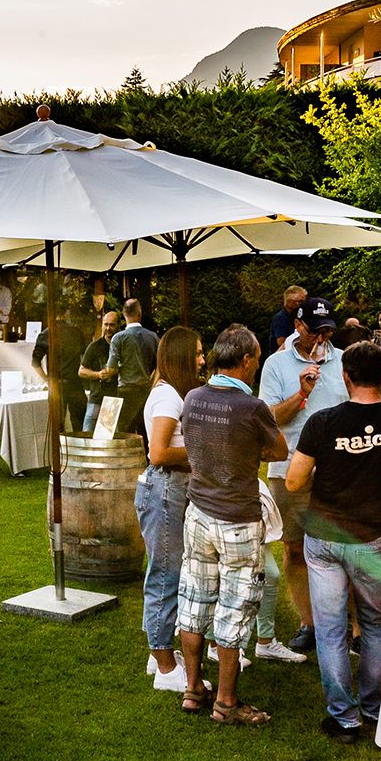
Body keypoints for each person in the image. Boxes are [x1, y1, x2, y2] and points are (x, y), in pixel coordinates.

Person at [284, 340, 381, 745]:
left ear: (346, 376)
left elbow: (294, 480)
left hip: (324, 538)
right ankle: (372, 706)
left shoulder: (322, 422)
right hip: (372, 539)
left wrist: (328, 474)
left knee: (331, 629)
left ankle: (343, 717)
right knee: (374, 624)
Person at [176, 325, 288, 726]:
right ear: (245, 360)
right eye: (256, 358)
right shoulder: (250, 406)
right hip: (237, 518)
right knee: (235, 606)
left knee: (194, 599)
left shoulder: (192, 397)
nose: (257, 365)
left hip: (197, 513)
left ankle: (193, 690)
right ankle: (225, 702)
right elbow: (280, 449)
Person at [256, 295, 347, 653]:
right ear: (298, 326)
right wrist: (301, 393)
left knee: (342, 547)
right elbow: (269, 419)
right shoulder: (277, 364)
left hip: (339, 472)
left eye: (328, 331)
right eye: (315, 332)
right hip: (289, 469)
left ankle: (347, 624)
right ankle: (308, 622)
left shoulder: (342, 362)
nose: (322, 338)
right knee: (295, 550)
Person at [139, 327, 204, 692]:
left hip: (171, 490)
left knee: (167, 572)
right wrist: (206, 453)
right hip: (164, 489)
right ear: (179, 356)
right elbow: (159, 453)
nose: (200, 359)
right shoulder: (166, 397)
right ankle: (165, 669)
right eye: (195, 353)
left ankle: (158, 653)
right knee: (165, 576)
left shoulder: (172, 393)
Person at [101, 298, 159, 440]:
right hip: (146, 391)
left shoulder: (118, 338)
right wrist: (152, 381)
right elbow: (160, 367)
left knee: (125, 432)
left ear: (123, 314)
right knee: (145, 430)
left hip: (125, 391)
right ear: (139, 313)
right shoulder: (152, 337)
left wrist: (105, 372)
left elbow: (111, 369)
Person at [32, 309, 86, 432]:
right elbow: (83, 357)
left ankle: (59, 450)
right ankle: (77, 449)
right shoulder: (76, 332)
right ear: (65, 314)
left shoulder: (46, 334)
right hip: (75, 383)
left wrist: (46, 379)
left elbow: (35, 363)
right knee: (79, 424)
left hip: (56, 384)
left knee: (57, 427)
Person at [267, 286, 306, 355]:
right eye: (300, 302)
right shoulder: (280, 318)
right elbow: (282, 344)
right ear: (289, 302)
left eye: (304, 302)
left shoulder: (296, 317)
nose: (303, 305)